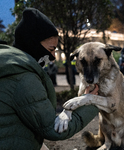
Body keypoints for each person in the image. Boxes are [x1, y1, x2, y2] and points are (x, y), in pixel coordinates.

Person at [0, 8, 99, 150]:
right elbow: (53, 129)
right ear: (33, 44)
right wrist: (92, 102)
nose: (53, 56)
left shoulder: (9, 65)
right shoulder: (24, 78)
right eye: (51, 49)